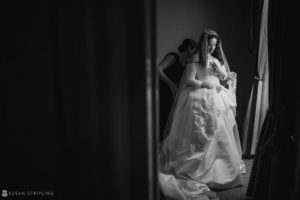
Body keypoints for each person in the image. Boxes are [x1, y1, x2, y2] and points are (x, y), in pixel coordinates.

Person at [159, 29, 245, 200]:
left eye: (214, 45)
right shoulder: (196, 58)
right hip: (200, 96)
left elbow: (223, 79)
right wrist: (208, 85)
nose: (212, 48)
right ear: (203, 43)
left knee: (219, 133)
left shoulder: (216, 59)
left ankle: (221, 169)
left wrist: (223, 75)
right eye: (209, 45)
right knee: (200, 134)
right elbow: (190, 80)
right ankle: (199, 168)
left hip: (217, 98)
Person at [158, 39, 197, 142]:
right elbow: (158, 69)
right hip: (163, 89)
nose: (194, 53)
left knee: (168, 117)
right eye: (193, 50)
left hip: (171, 92)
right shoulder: (173, 56)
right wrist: (170, 83)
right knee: (162, 115)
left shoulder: (185, 63)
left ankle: (163, 144)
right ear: (189, 48)